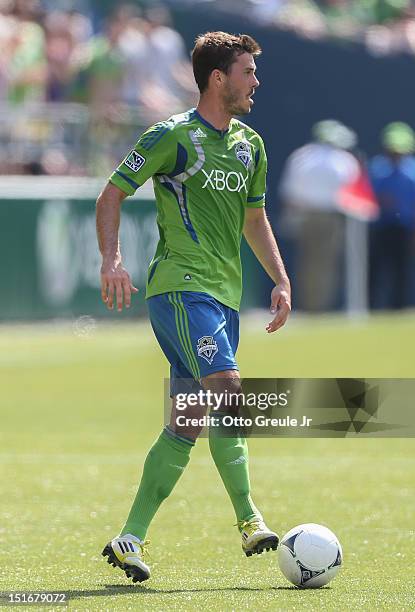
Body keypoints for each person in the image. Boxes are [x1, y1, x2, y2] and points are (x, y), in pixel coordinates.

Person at [96, 31, 291, 583]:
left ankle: (128, 537)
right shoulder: (173, 136)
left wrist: (280, 278)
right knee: (228, 389)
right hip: (180, 289)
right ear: (217, 78)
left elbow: (255, 220)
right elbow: (112, 193)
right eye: (248, 72)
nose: (256, 81)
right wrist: (112, 260)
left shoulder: (251, 145)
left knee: (187, 422)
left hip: (224, 297)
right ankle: (250, 519)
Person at [279, 119, 359, 311]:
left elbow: (289, 191)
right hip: (331, 218)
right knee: (326, 263)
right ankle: (319, 307)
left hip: (305, 216)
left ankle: (308, 305)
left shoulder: (301, 156)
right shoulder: (345, 160)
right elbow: (352, 193)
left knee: (306, 262)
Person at [369, 121, 415, 309]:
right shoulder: (377, 168)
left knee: (401, 270)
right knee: (375, 270)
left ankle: (399, 308)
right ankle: (371, 307)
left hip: (404, 228)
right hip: (380, 227)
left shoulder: (411, 171)